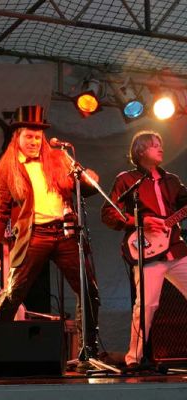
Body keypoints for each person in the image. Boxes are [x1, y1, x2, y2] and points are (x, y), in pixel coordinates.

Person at [0, 104, 100, 362]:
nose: (34, 142)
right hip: (34, 235)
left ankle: (87, 354)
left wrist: (89, 180)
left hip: (66, 233)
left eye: (38, 137)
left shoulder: (59, 159)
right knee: (14, 292)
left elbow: (83, 189)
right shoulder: (7, 168)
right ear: (17, 137)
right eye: (29, 136)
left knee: (88, 289)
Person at [101, 130, 187, 367]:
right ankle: (134, 359)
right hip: (147, 252)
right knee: (146, 306)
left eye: (160, 143)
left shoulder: (172, 181)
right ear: (140, 151)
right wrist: (140, 221)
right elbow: (108, 214)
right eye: (154, 145)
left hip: (176, 248)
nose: (160, 147)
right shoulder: (126, 180)